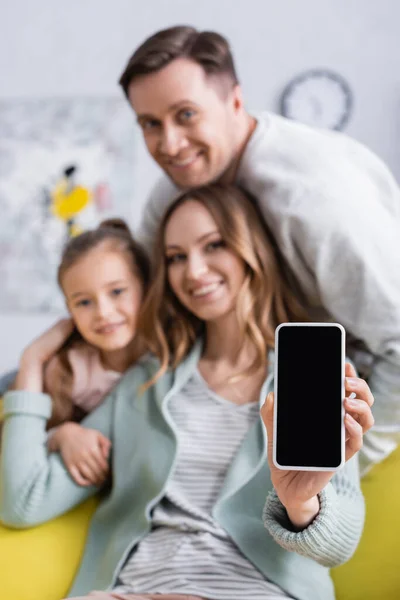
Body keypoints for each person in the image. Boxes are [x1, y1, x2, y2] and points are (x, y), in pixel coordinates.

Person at [1, 184, 375, 600]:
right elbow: (24, 501)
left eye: (213, 245)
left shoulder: (315, 373)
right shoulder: (146, 382)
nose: (194, 271)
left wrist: (301, 504)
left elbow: (340, 545)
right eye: (176, 257)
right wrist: (35, 369)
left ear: (250, 249)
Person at [118, 25, 400, 475]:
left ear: (234, 101)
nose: (169, 145)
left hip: (345, 410)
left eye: (185, 115)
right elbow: (125, 292)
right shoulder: (178, 188)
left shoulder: (319, 201)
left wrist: (337, 471)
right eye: (151, 124)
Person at [3, 218, 150, 486]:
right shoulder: (70, 368)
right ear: (69, 311)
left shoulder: (168, 356)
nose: (103, 313)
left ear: (147, 288)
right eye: (84, 302)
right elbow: (23, 443)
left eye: (117, 291)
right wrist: (62, 435)